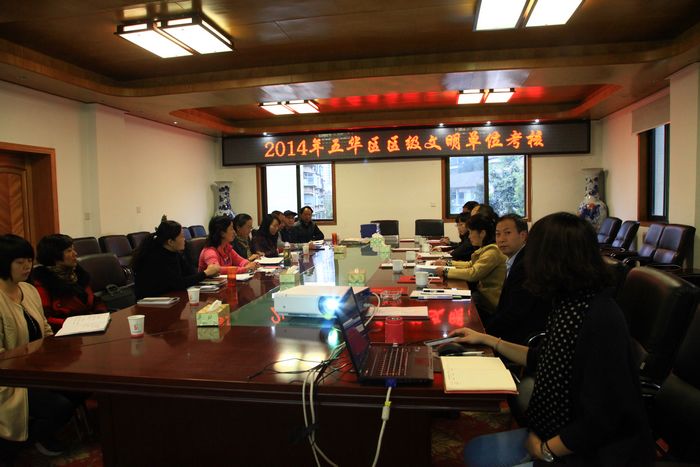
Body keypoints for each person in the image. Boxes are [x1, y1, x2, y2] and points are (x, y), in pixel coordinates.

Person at [451, 212, 653, 467]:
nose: (529, 263)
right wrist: (488, 340)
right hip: (559, 433)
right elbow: (541, 356)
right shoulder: (571, 303)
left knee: (478, 456)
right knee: (476, 451)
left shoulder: (599, 319)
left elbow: (604, 416)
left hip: (590, 454)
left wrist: (546, 450)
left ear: (553, 260)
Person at [0, 234, 77, 458]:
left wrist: (53, 352)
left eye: (29, 261)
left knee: (81, 386)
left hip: (36, 367)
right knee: (59, 406)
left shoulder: (28, 289)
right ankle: (20, 445)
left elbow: (44, 328)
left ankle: (43, 433)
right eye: (19, 262)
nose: (27, 266)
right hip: (10, 377)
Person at [486, 214, 549, 345]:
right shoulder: (518, 258)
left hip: (521, 339)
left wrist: (484, 332)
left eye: (507, 233)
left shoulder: (525, 265)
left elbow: (514, 313)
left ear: (523, 235)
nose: (501, 239)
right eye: (498, 234)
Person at [32, 234, 107, 332]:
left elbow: (93, 300)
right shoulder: (42, 281)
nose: (75, 253)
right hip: (65, 333)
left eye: (73, 249)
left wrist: (100, 314)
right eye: (69, 251)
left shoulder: (78, 274)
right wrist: (78, 324)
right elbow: (46, 319)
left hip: (91, 327)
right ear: (55, 256)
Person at [436, 213, 506, 319]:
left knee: (455, 305)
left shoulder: (493, 252)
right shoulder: (487, 248)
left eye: (471, 232)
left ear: (482, 233)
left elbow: (473, 273)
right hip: (482, 295)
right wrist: (448, 263)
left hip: (488, 300)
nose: (469, 236)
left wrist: (446, 271)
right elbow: (470, 264)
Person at [132, 220, 220, 299]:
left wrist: (208, 274)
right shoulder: (155, 257)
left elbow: (190, 273)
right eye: (182, 237)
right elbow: (179, 284)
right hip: (151, 302)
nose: (185, 240)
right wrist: (206, 273)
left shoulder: (174, 252)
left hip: (169, 297)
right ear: (170, 242)